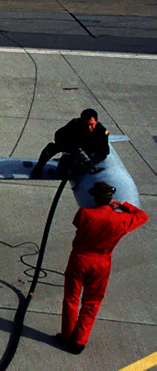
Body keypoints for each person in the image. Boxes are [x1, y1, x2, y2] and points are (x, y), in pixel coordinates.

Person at [56, 181, 148, 354]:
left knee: (71, 298)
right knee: (92, 302)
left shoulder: (84, 214)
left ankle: (67, 336)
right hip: (102, 263)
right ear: (110, 198)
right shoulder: (121, 220)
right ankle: (80, 341)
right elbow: (143, 216)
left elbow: (77, 223)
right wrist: (123, 205)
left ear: (94, 197)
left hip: (79, 259)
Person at [30, 109, 109, 179]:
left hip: (89, 151)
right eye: (86, 124)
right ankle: (39, 167)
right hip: (73, 147)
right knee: (51, 148)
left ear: (96, 121)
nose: (89, 128)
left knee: (76, 170)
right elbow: (59, 135)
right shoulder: (75, 124)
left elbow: (104, 153)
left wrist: (90, 161)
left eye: (92, 124)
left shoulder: (102, 132)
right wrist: (70, 146)